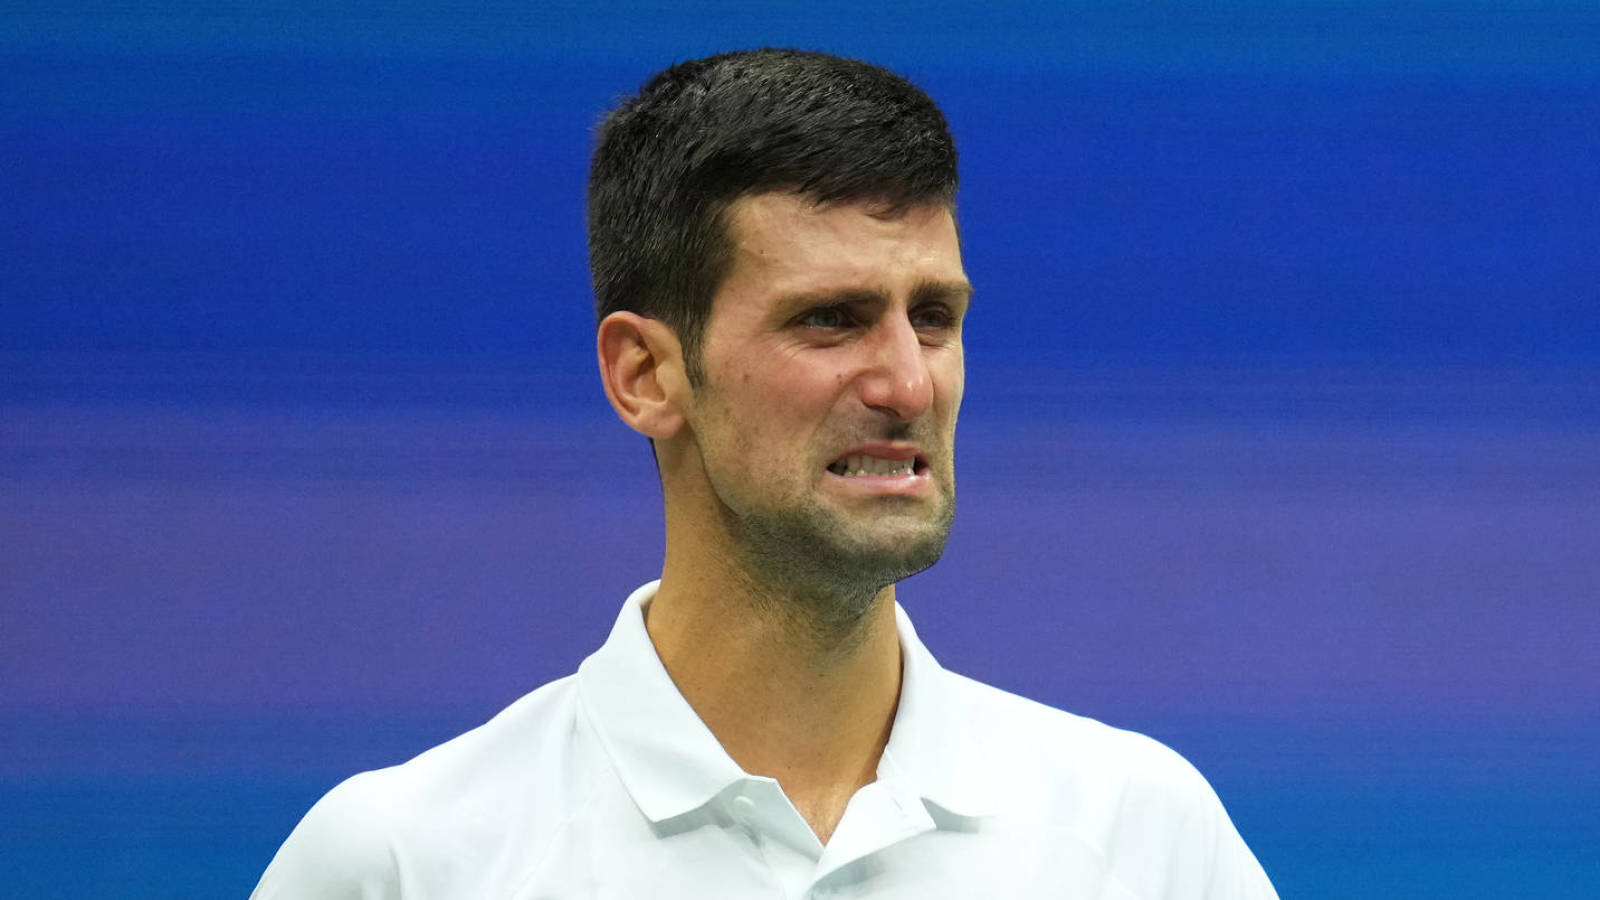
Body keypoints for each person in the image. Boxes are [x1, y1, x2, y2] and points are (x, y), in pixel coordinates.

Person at [252, 49, 1277, 899]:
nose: (908, 384)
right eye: (829, 319)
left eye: (933, 317)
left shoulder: (1143, 840)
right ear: (646, 375)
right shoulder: (406, 863)